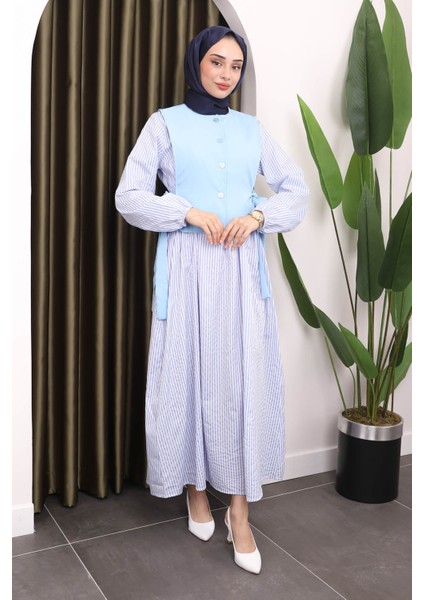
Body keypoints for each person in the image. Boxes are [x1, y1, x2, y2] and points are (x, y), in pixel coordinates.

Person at [115, 25, 308, 575]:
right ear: (197, 63)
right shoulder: (164, 124)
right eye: (217, 62)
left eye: (236, 66)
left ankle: (239, 514)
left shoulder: (252, 130)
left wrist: (258, 215)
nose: (226, 74)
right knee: (189, 376)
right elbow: (128, 196)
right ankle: (195, 490)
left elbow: (296, 189)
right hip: (187, 268)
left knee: (240, 382)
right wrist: (186, 212)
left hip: (242, 271)